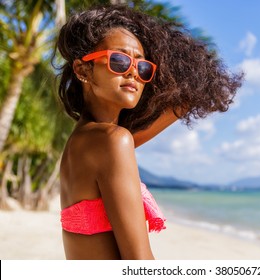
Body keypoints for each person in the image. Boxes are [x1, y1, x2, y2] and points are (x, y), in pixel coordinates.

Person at [55, 4, 243, 260]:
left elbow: (142, 130)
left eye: (143, 68)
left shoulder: (84, 141)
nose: (133, 71)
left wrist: (189, 93)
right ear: (82, 70)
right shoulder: (112, 142)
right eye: (119, 60)